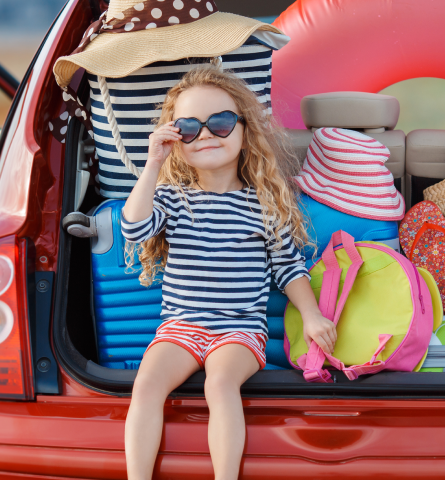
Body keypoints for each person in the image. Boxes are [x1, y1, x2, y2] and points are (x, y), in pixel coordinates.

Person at [120, 65, 337, 480]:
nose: (204, 134)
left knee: (219, 385)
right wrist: (152, 164)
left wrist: (311, 315)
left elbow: (289, 268)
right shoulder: (172, 198)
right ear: (175, 140)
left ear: (243, 130)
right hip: (180, 327)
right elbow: (132, 227)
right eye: (187, 128)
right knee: (146, 385)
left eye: (219, 122)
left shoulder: (262, 204)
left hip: (239, 329)